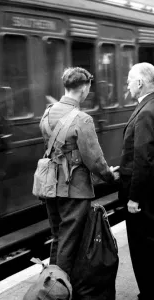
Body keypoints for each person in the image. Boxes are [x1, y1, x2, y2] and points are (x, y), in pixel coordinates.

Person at [39, 67, 119, 282]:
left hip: (49, 187)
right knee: (69, 241)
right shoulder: (83, 120)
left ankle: (50, 286)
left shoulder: (47, 113)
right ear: (84, 89)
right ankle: (61, 290)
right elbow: (94, 160)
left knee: (58, 237)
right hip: (74, 189)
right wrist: (109, 176)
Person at [118, 63, 154, 300]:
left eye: (130, 80)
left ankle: (152, 294)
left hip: (144, 194)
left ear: (140, 83)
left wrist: (134, 197)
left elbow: (143, 158)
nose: (128, 84)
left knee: (143, 247)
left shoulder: (147, 112)